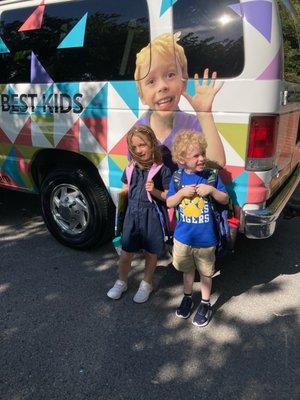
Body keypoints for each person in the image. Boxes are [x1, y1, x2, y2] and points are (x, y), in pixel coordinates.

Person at [134, 32, 226, 172]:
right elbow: (133, 170)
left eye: (170, 75)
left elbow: (217, 162)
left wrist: (204, 114)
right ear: (141, 96)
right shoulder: (139, 130)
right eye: (151, 81)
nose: (162, 86)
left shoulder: (193, 124)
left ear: (183, 81)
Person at [166, 130, 228, 327]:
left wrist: (212, 190)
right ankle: (187, 297)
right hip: (183, 237)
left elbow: (225, 200)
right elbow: (169, 202)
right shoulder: (177, 178)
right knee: (187, 271)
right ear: (182, 159)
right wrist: (182, 194)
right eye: (196, 155)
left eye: (203, 153)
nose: (202, 158)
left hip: (206, 238)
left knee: (206, 273)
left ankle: (205, 303)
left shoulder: (211, 176)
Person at [107, 125, 171, 303]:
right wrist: (122, 197)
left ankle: (146, 284)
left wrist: (155, 191)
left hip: (152, 216)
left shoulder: (162, 170)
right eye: (134, 147)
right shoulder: (130, 169)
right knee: (126, 252)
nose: (138, 150)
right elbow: (125, 189)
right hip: (132, 215)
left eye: (142, 145)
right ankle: (121, 282)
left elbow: (168, 197)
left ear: (152, 143)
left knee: (151, 253)